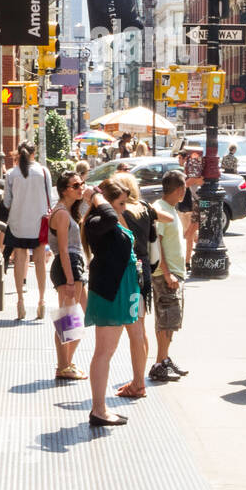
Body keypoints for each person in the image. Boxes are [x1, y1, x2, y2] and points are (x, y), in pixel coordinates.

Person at [81, 179, 141, 427]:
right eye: (120, 203)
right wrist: (95, 196)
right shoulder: (98, 222)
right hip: (110, 291)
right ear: (106, 201)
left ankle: (100, 408)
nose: (124, 208)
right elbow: (107, 215)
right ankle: (98, 409)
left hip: (120, 289)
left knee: (107, 351)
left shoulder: (106, 221)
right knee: (104, 352)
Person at [113, 172, 169, 399]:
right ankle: (139, 379)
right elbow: (169, 218)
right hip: (144, 267)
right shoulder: (144, 207)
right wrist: (150, 214)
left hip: (128, 269)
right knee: (140, 326)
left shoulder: (122, 212)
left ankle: (138, 383)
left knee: (134, 329)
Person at [2, 141, 55, 320]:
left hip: (18, 223)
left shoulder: (11, 174)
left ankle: (20, 301)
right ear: (35, 153)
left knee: (19, 260)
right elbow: (50, 201)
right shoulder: (43, 171)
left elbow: (7, 202)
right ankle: (41, 301)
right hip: (39, 223)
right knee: (40, 262)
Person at [48, 171, 88, 380]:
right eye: (75, 185)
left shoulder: (68, 211)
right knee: (68, 317)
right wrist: (70, 279)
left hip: (73, 263)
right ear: (64, 190)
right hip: (68, 265)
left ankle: (66, 363)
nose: (80, 187)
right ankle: (63, 366)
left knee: (79, 314)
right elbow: (63, 249)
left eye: (81, 183)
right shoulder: (62, 213)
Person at [151, 170, 190, 382]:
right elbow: (156, 243)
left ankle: (163, 359)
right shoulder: (160, 210)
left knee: (170, 320)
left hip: (174, 273)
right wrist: (167, 273)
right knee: (166, 320)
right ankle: (159, 363)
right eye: (184, 187)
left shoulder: (170, 209)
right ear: (179, 190)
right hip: (167, 275)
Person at [177, 149, 204, 266]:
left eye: (179, 158)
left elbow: (194, 180)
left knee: (189, 233)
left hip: (199, 202)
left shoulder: (192, 165)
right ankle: (188, 261)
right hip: (197, 202)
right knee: (191, 234)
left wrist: (180, 186)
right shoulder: (190, 167)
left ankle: (188, 261)